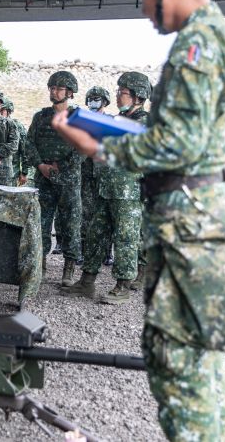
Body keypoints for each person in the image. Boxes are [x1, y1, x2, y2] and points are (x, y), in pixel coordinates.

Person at [52, 0, 225, 440]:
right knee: (197, 368)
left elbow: (180, 146)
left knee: (181, 367)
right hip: (201, 220)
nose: (144, 9)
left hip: (192, 226)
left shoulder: (199, 44)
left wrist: (99, 147)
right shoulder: (216, 38)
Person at [63, 72, 150, 304]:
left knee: (126, 238)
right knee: (96, 234)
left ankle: (122, 285)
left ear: (138, 96)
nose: (118, 97)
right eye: (118, 92)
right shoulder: (117, 120)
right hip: (106, 188)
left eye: (123, 93)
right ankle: (86, 281)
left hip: (128, 192)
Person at [25, 71, 83, 286]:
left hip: (69, 180)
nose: (54, 91)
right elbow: (29, 143)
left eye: (59, 88)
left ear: (69, 92)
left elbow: (83, 148)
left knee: (71, 224)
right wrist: (41, 165)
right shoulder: (41, 117)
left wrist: (61, 167)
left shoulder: (78, 118)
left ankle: (68, 268)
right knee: (40, 223)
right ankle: (40, 265)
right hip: (44, 178)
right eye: (52, 88)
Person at [79, 86, 114, 267]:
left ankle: (106, 253)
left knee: (104, 214)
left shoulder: (111, 121)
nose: (93, 102)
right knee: (85, 214)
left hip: (104, 175)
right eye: (91, 99)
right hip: (85, 175)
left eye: (97, 99)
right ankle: (85, 253)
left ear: (105, 101)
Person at [1, 97, 31, 186]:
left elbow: (25, 150)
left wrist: (24, 172)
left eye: (2, 110)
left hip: (12, 174)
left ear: (8, 112)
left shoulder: (17, 127)